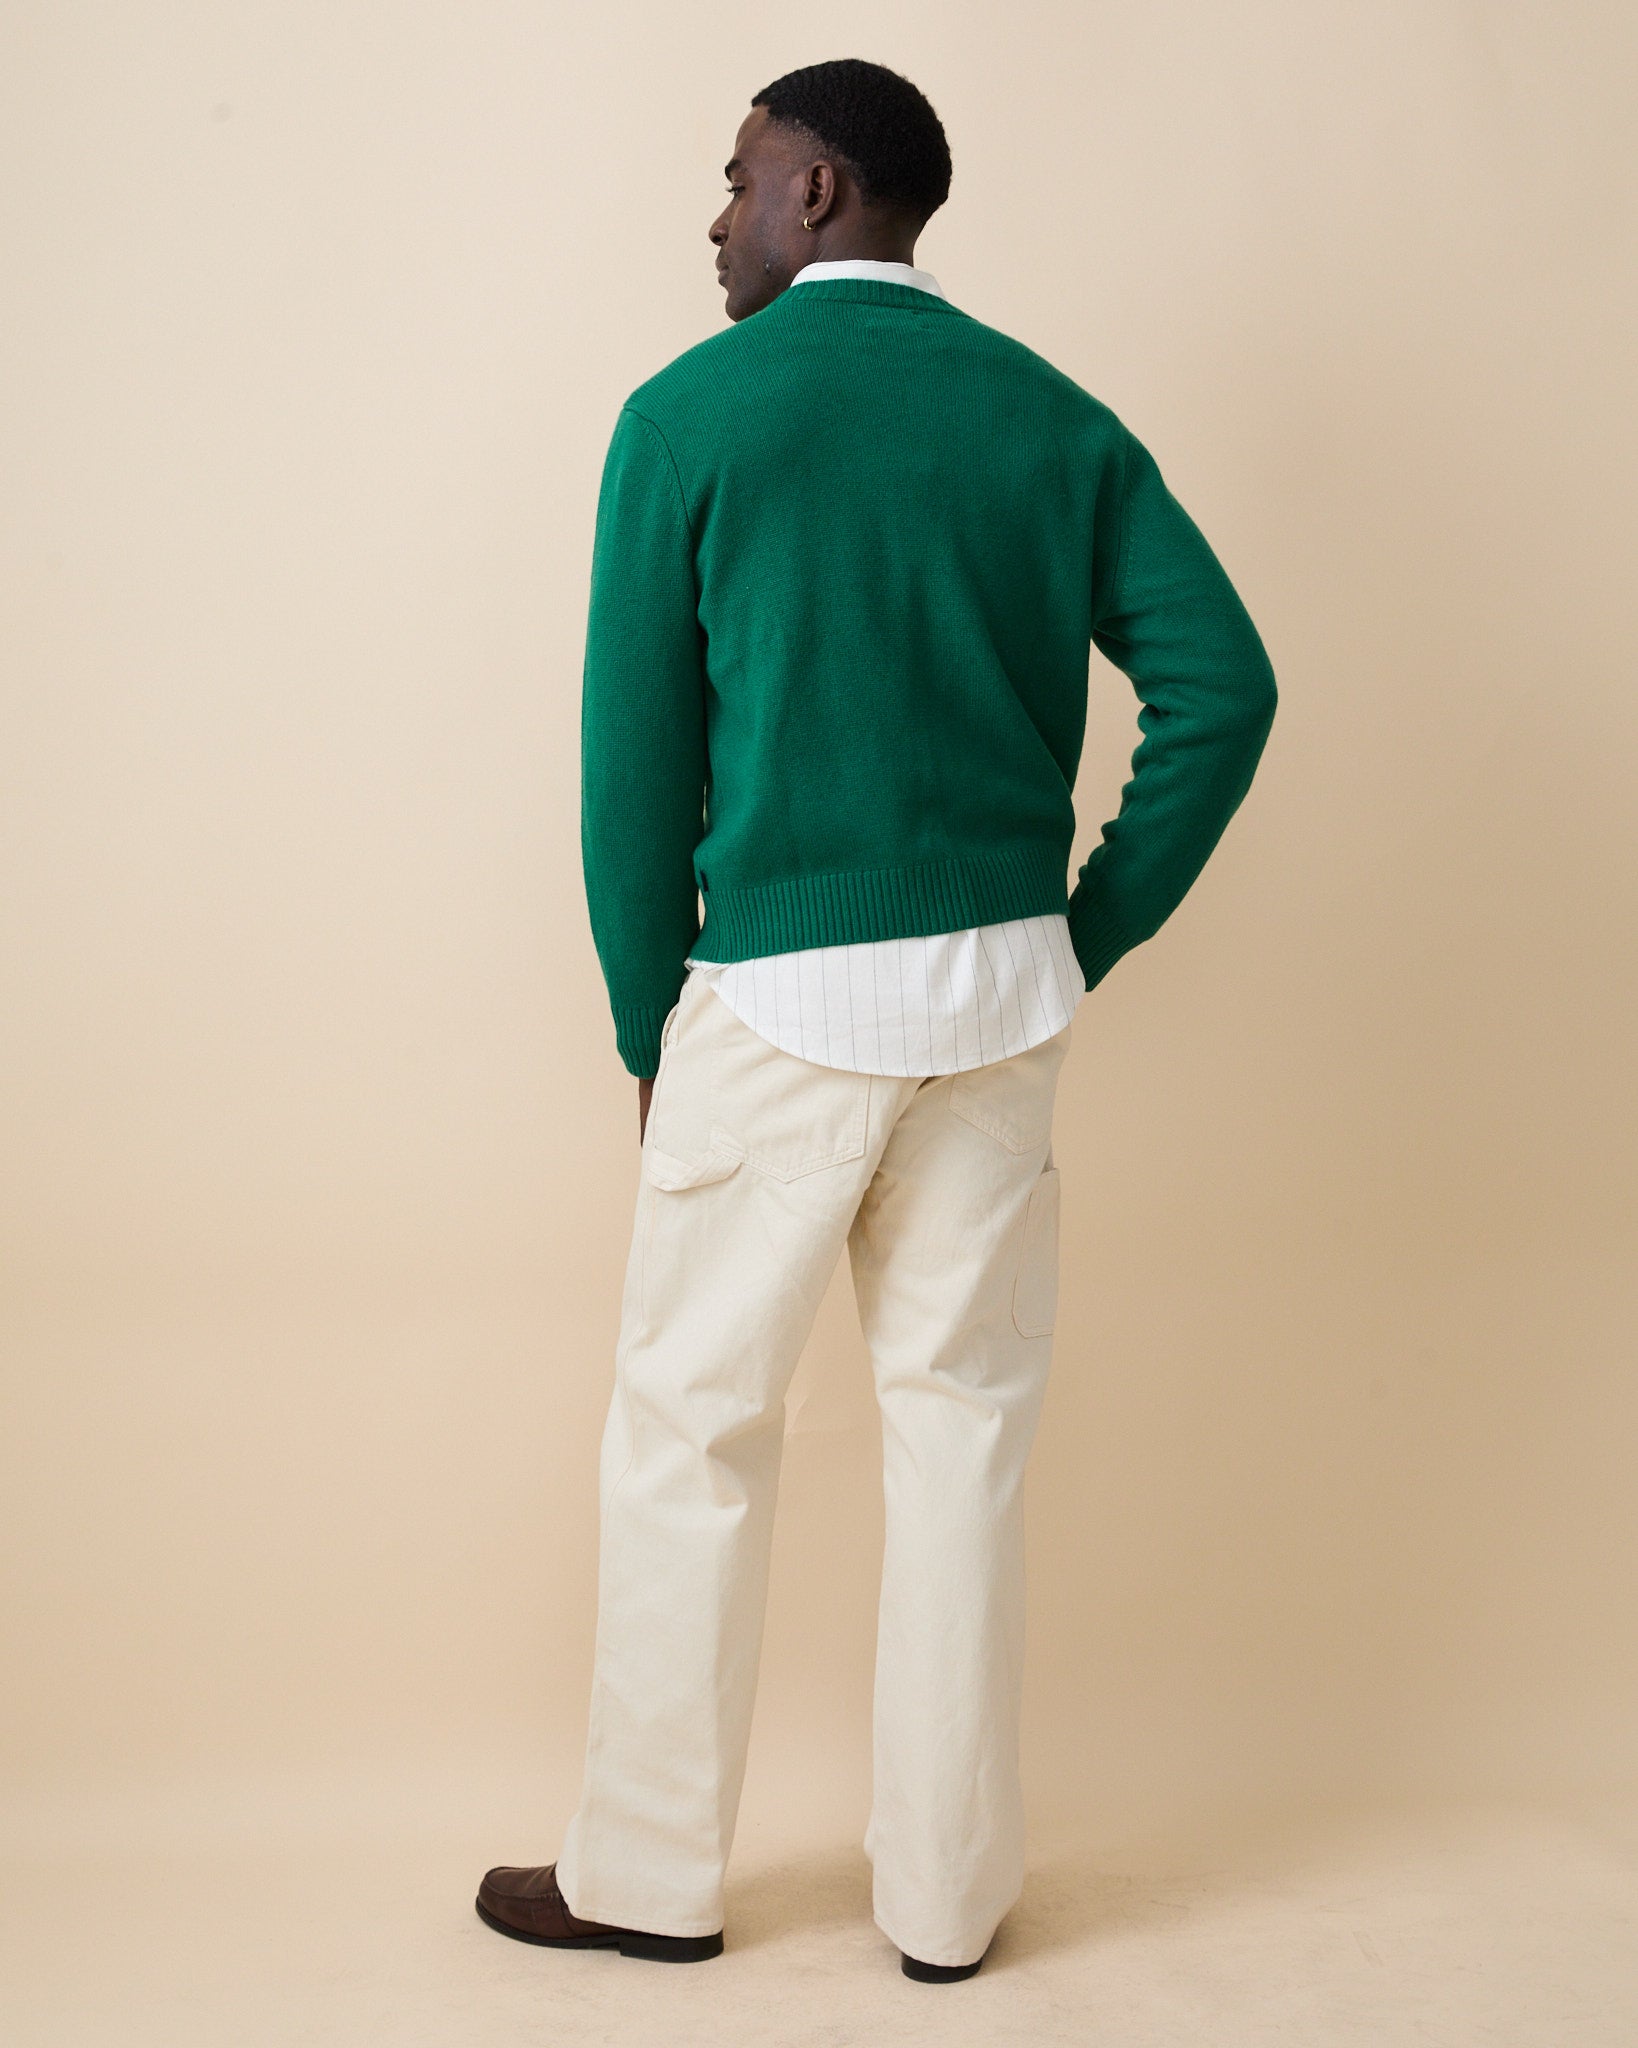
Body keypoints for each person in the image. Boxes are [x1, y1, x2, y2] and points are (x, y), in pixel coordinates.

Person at [475, 57, 1277, 1983]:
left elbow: (630, 774)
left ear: (818, 191)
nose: (718, 217)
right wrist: (1082, 931)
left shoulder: (687, 418)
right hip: (998, 1005)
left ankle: (647, 1881)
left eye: (739, 177)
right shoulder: (1047, 417)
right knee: (963, 1442)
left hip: (769, 1004)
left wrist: (643, 1027)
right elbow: (1225, 689)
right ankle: (944, 1905)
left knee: (691, 1435)